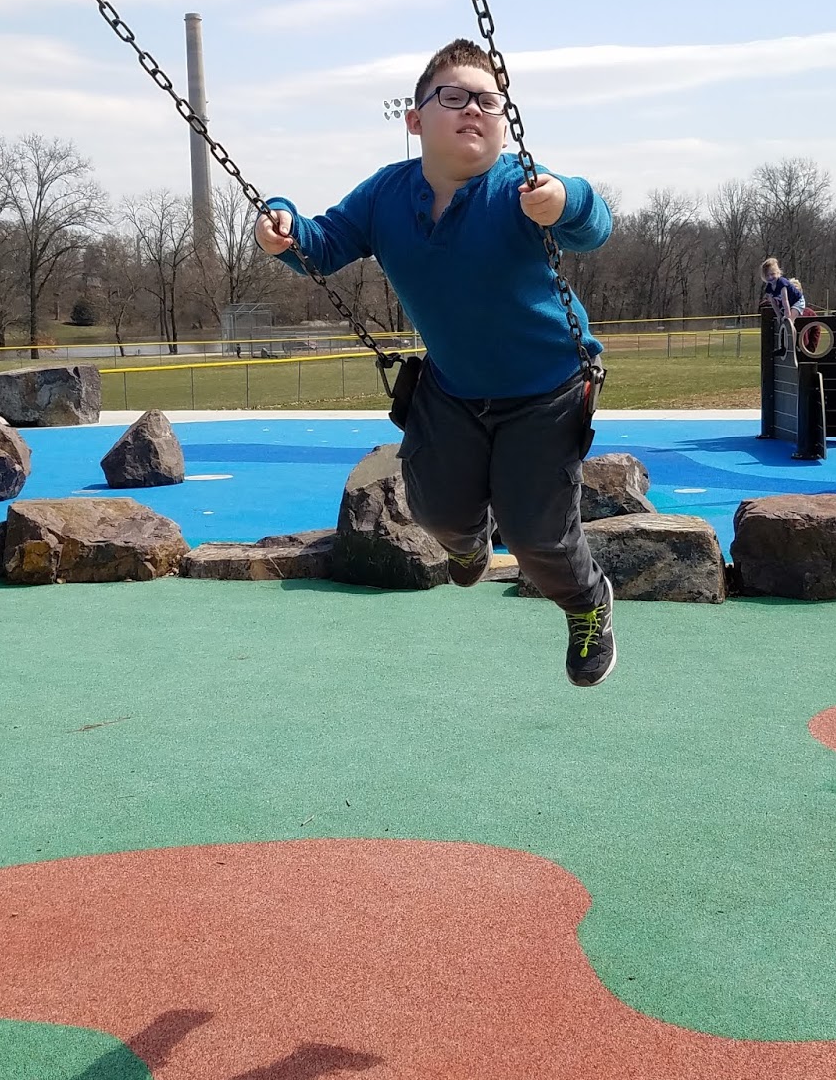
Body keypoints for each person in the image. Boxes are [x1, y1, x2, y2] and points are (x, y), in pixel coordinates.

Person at [253, 37, 618, 686]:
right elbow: (323, 242)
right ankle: (468, 540)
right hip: (452, 388)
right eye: (454, 96)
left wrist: (567, 200)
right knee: (437, 513)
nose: (473, 109)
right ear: (416, 119)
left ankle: (587, 603)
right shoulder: (387, 195)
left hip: (547, 389)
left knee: (538, 538)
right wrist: (280, 222)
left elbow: (593, 223)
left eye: (487, 99)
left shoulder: (522, 188)